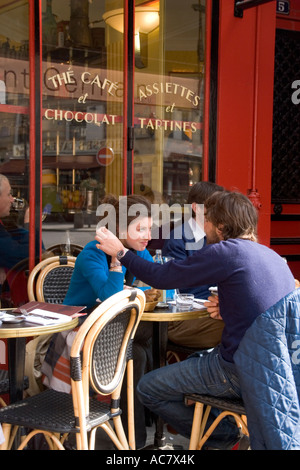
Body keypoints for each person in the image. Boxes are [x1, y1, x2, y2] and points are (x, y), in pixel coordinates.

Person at [95, 190, 296, 448]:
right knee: (190, 362)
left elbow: (162, 278)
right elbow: (267, 312)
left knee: (148, 387)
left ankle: (220, 436)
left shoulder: (226, 251)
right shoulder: (270, 255)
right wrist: (231, 308)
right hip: (277, 372)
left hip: (238, 370)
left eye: (207, 220)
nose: (203, 225)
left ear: (221, 225)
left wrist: (122, 253)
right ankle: (218, 431)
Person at [42, 194, 155, 449]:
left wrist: (144, 281)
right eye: (141, 229)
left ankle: (135, 438)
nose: (148, 235)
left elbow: (159, 281)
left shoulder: (136, 251)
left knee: (141, 351)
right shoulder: (92, 254)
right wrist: (117, 259)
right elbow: (110, 298)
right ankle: (131, 438)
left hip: (109, 327)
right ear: (119, 231)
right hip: (80, 329)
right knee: (139, 352)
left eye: (150, 228)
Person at [162, 181, 225, 350]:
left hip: (213, 312)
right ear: (197, 208)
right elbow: (181, 290)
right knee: (240, 326)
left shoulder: (218, 236)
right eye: (214, 207)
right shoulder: (178, 239)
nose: (220, 213)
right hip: (185, 318)